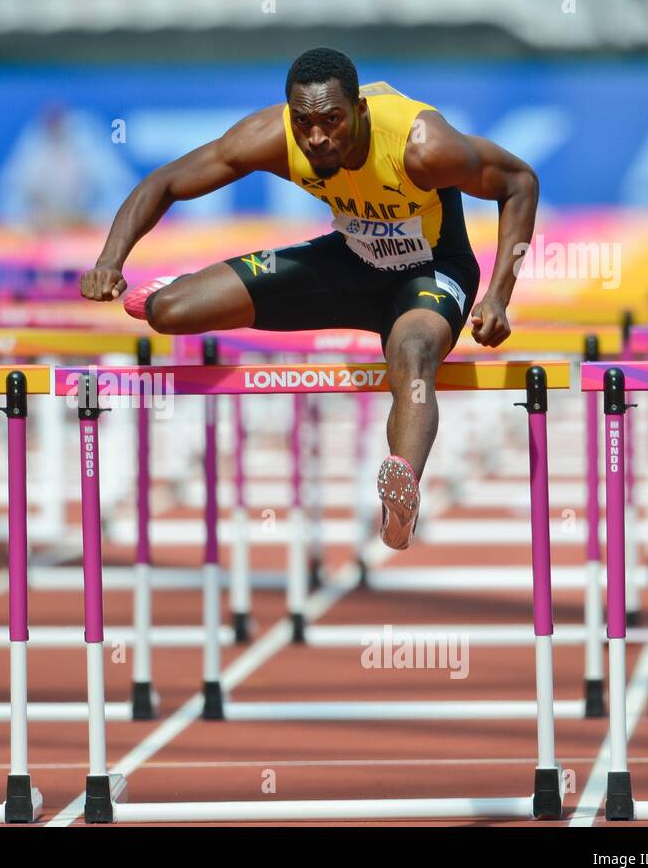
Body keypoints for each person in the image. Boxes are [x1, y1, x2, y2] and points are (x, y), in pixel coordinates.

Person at [78, 48, 538, 549]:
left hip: (429, 274)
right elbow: (166, 182)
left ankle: (400, 495)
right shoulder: (274, 137)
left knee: (413, 353)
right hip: (348, 263)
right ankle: (176, 288)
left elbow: (519, 182)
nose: (317, 138)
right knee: (170, 313)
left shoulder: (421, 145)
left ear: (360, 112)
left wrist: (497, 295)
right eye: (304, 123)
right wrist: (110, 261)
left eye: (332, 121)